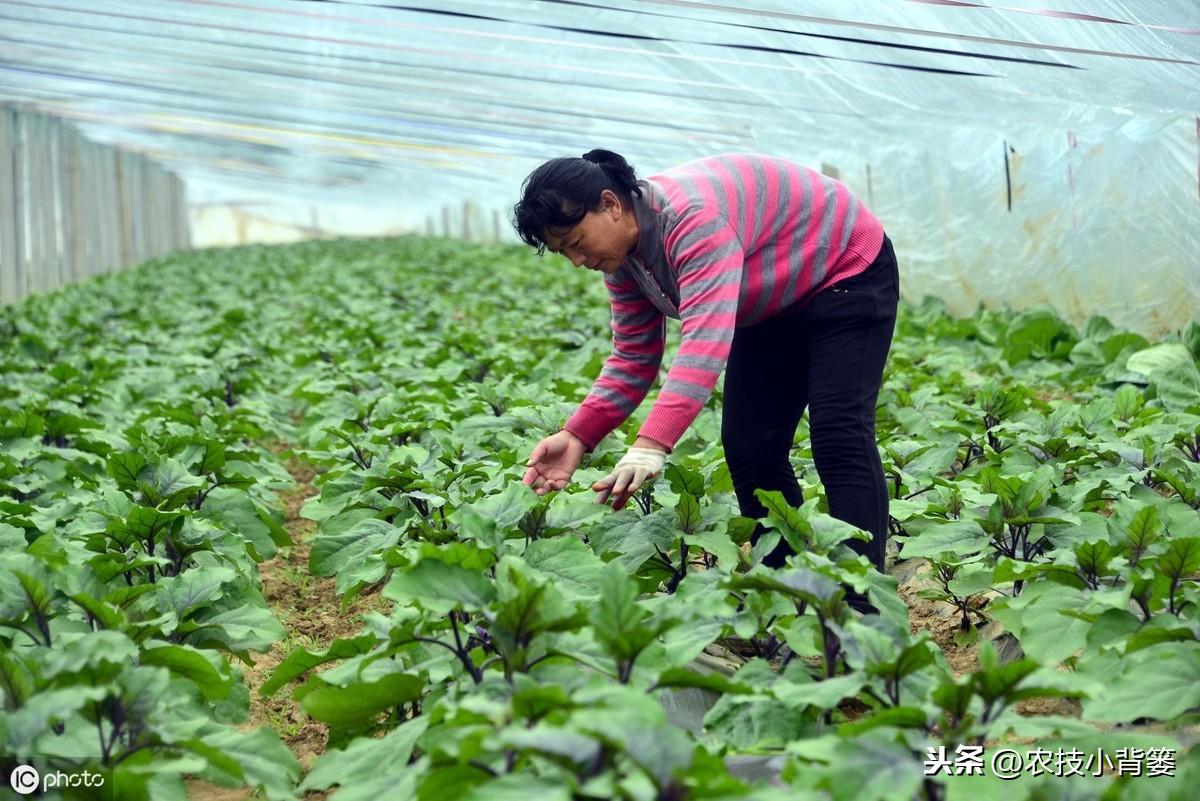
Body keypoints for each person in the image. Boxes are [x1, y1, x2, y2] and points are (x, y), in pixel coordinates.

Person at [513, 150, 899, 605]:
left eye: (576, 242)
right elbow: (635, 355)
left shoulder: (692, 219)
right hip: (772, 298)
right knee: (749, 445)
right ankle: (785, 589)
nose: (578, 260)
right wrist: (578, 435)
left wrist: (651, 445)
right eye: (565, 253)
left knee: (838, 433)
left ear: (611, 205)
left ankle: (861, 603)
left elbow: (704, 343)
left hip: (845, 269)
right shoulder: (624, 259)